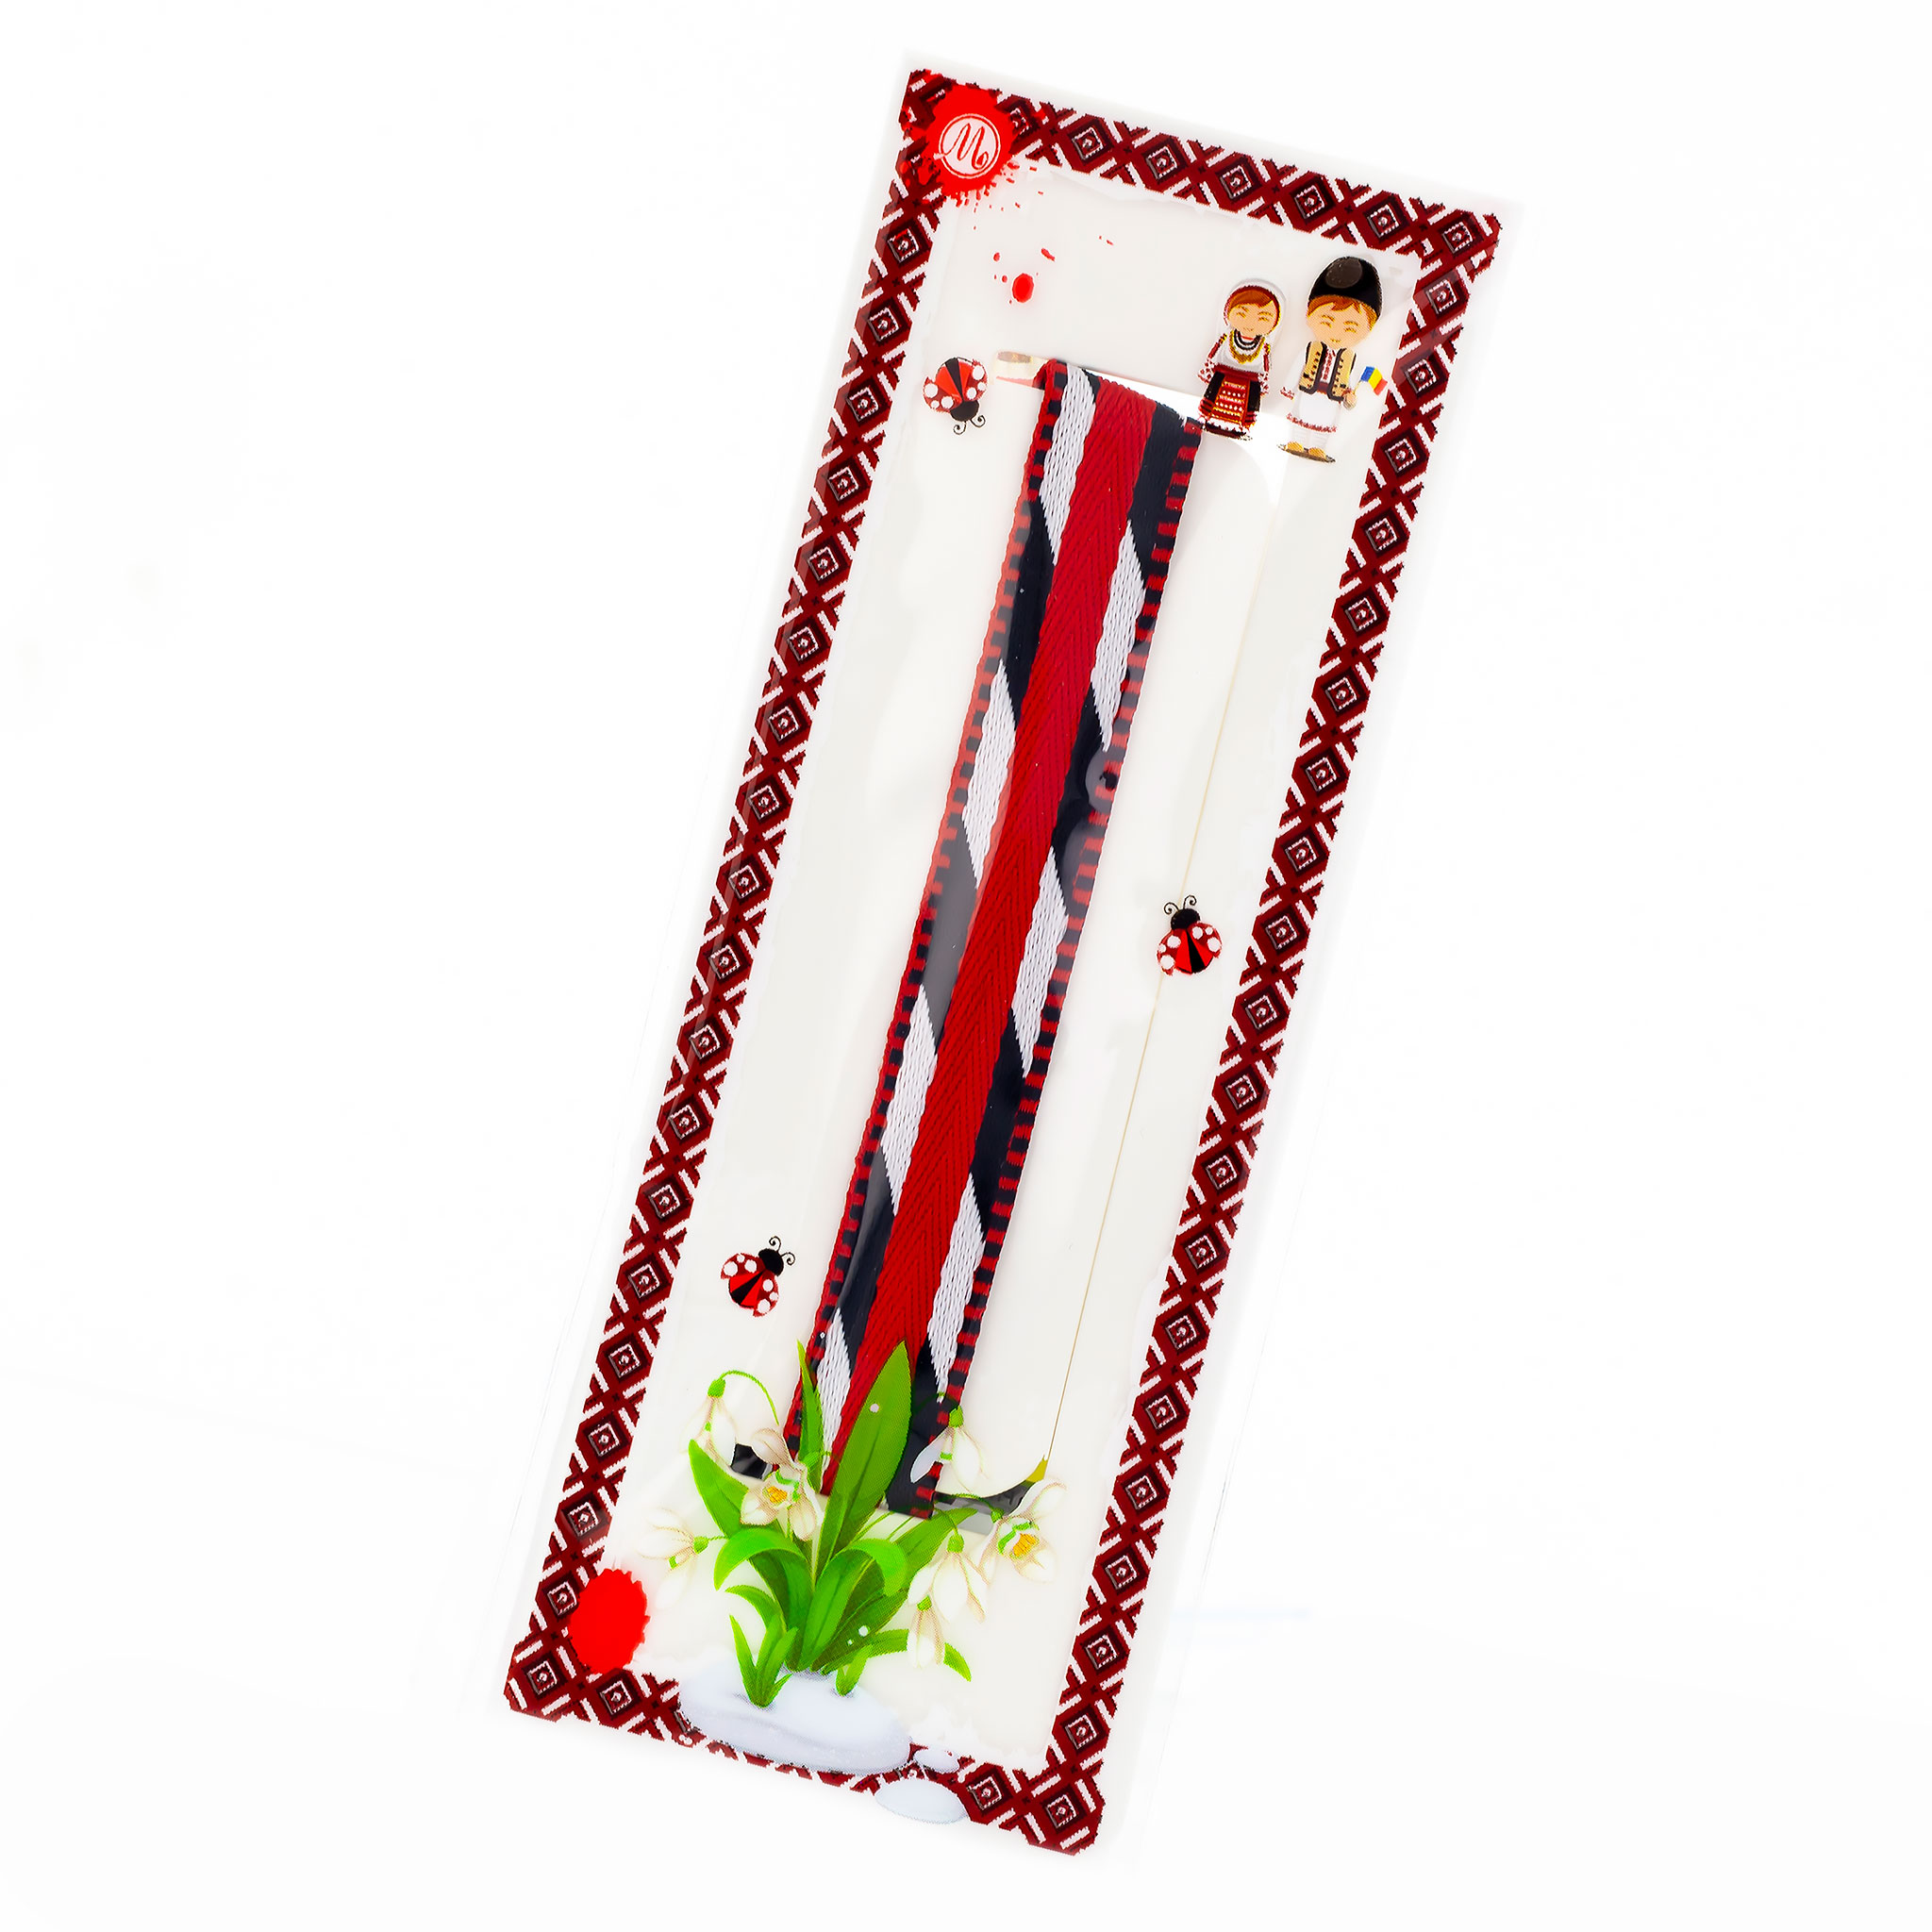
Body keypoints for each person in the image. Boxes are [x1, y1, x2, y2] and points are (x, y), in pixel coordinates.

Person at [1282, 257, 1383, 462]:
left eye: (1350, 328)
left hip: (1331, 400)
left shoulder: (1351, 359)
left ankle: (1318, 447)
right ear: (1309, 315)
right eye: (1327, 322)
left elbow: (1354, 382)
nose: (1337, 333)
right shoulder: (1309, 349)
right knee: (1301, 417)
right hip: (1307, 392)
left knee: (1324, 423)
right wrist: (1288, 388)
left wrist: (1350, 399)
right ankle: (1296, 441)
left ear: (1368, 330)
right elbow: (1297, 368)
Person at [1196, 282, 1283, 439]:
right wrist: (1209, 369)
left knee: (1245, 407)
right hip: (1223, 374)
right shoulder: (1227, 337)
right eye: (1242, 314)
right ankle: (1211, 421)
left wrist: (1263, 382)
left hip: (1250, 381)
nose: (1250, 324)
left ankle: (1239, 428)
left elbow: (1265, 366)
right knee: (1215, 400)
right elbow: (1215, 353)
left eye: (1262, 318)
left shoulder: (1264, 346)